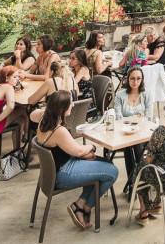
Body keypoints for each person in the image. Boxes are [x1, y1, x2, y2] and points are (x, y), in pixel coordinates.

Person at [34, 90, 118, 230]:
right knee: (112, 171)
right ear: (61, 109)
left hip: (53, 172)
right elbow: (78, 151)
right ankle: (85, 206)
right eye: (70, 103)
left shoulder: (43, 121)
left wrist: (46, 109)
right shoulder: (58, 131)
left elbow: (32, 115)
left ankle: (80, 204)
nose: (72, 105)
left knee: (101, 164)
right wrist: (91, 146)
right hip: (62, 174)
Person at [113, 66, 152, 180]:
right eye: (132, 78)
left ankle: (133, 182)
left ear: (142, 80)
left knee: (134, 146)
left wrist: (138, 120)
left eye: (138, 79)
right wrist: (136, 118)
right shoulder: (120, 95)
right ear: (127, 79)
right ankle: (136, 181)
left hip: (142, 132)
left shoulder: (146, 94)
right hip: (124, 133)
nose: (135, 82)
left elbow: (149, 117)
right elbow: (118, 117)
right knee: (130, 146)